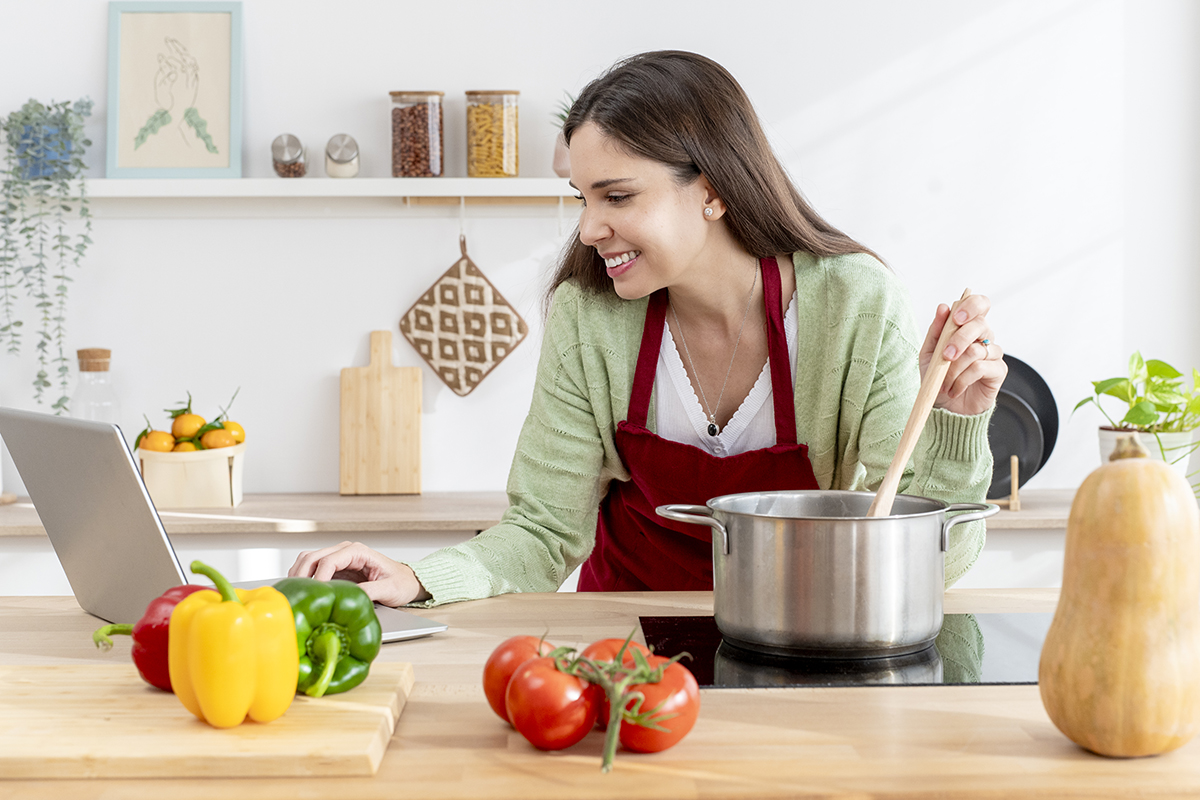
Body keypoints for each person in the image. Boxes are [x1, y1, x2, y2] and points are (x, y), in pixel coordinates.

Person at [289, 50, 1007, 607]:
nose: (588, 228)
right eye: (582, 197)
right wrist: (419, 577)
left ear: (713, 190)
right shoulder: (590, 314)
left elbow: (931, 559)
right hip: (621, 646)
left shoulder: (854, 304)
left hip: (798, 637)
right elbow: (542, 533)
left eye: (617, 196)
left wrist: (955, 425)